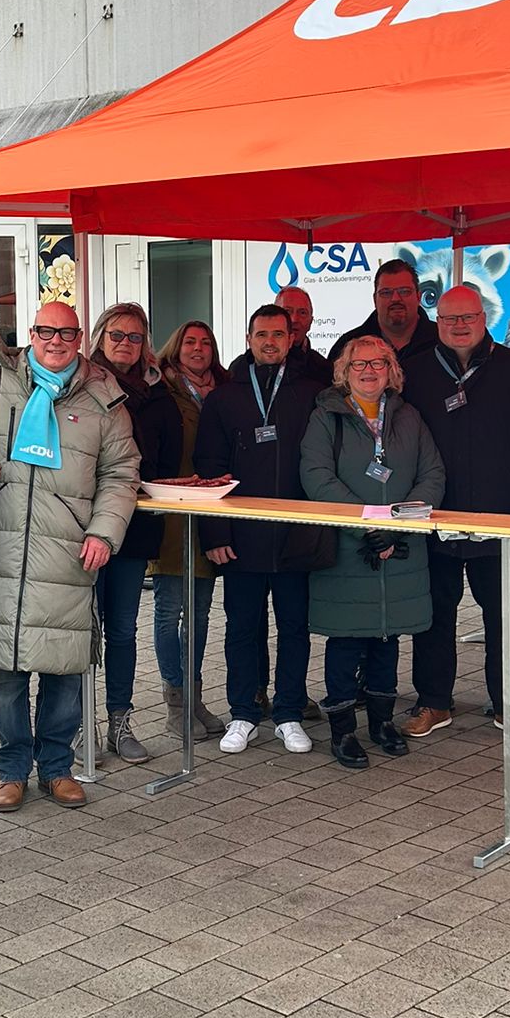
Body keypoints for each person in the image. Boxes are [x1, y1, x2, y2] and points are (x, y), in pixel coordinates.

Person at [0, 302, 140, 810]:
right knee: (6, 669)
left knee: (65, 668)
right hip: (2, 546)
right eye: (45, 331)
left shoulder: (105, 400)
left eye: (66, 332)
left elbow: (122, 473)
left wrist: (104, 533)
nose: (55, 340)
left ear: (80, 338)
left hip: (69, 551)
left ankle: (57, 767)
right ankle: (12, 769)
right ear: (31, 334)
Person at [401, 285, 510, 743]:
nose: (459, 325)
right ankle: (434, 701)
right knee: (433, 615)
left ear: (484, 318)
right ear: (437, 322)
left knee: (508, 616)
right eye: (449, 318)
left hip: (503, 518)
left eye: (468, 317)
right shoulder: (415, 372)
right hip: (436, 518)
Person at [300, 337, 444, 767]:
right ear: (344, 372)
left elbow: (432, 473)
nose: (368, 371)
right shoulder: (326, 417)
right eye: (358, 364)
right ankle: (343, 731)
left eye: (378, 363)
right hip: (349, 548)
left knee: (387, 638)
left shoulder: (409, 416)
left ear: (391, 370)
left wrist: (398, 527)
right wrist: (366, 526)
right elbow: (316, 476)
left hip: (399, 547)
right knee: (345, 641)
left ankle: (382, 723)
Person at [194, 304, 328, 754]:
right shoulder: (224, 398)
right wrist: (215, 534)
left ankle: (289, 713)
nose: (270, 342)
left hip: (296, 533)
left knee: (294, 627)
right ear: (248, 339)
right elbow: (208, 468)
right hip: (241, 536)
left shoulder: (313, 393)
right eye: (261, 334)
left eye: (278, 334)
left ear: (292, 339)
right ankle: (243, 713)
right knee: (242, 628)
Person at [87, 301, 183, 763]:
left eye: (135, 337)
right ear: (100, 338)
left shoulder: (157, 391)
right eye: (117, 335)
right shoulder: (81, 383)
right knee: (81, 628)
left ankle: (119, 722)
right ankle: (78, 722)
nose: (125, 343)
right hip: (83, 526)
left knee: (122, 628)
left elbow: (167, 457)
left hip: (135, 525)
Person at [151, 320, 226, 739]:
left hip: (210, 514)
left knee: (199, 613)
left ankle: (194, 699)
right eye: (190, 342)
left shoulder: (224, 389)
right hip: (171, 514)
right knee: (169, 611)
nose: (198, 349)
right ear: (176, 347)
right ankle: (175, 704)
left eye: (205, 342)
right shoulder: (162, 388)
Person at [325, 259, 437, 366]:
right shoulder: (346, 348)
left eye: (404, 291)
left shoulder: (441, 341)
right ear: (375, 299)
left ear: (418, 297)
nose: (395, 299)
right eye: (386, 293)